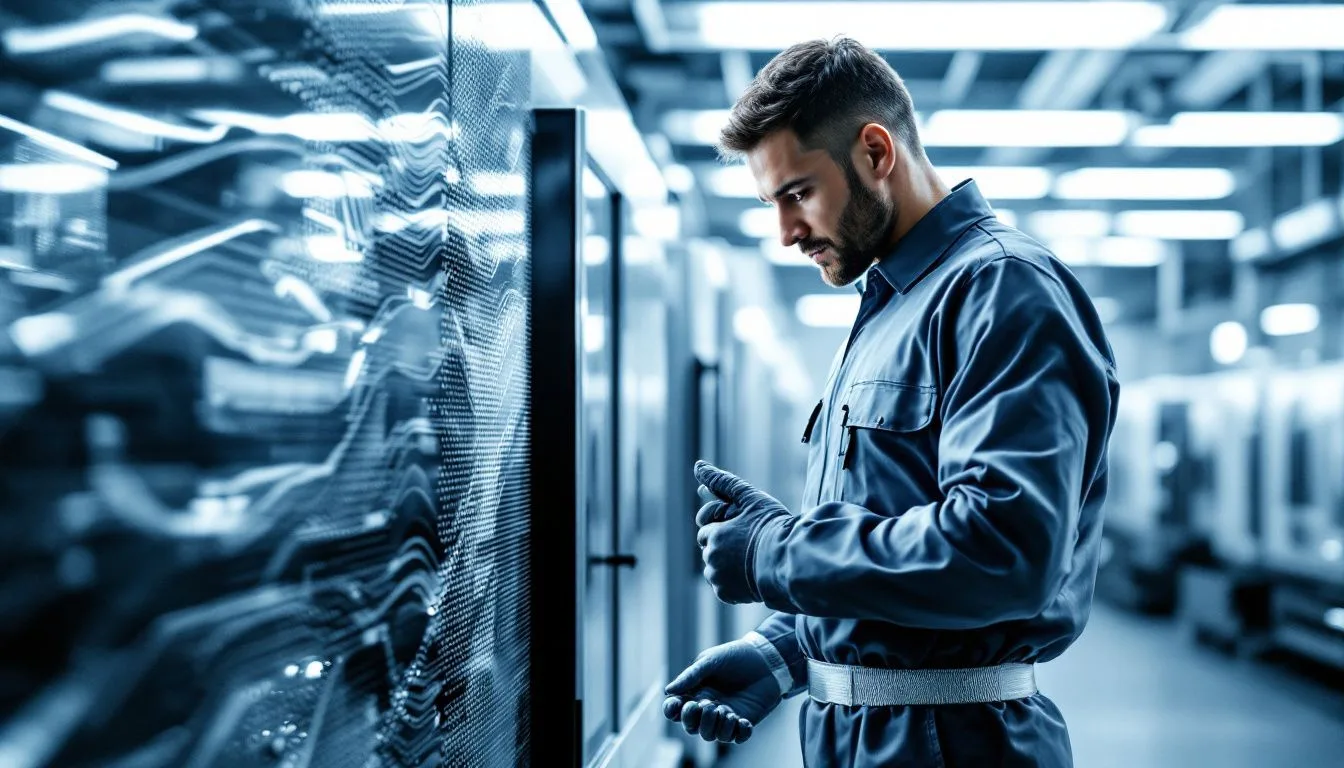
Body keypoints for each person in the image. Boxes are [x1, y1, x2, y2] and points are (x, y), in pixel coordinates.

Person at [662, 37, 1120, 767]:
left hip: (957, 746)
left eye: (797, 193)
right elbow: (897, 544)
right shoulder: (888, 307)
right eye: (770, 204)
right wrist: (784, 651)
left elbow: (1001, 550)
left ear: (876, 152)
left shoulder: (1001, 289)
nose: (786, 233)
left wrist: (774, 551)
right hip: (867, 739)